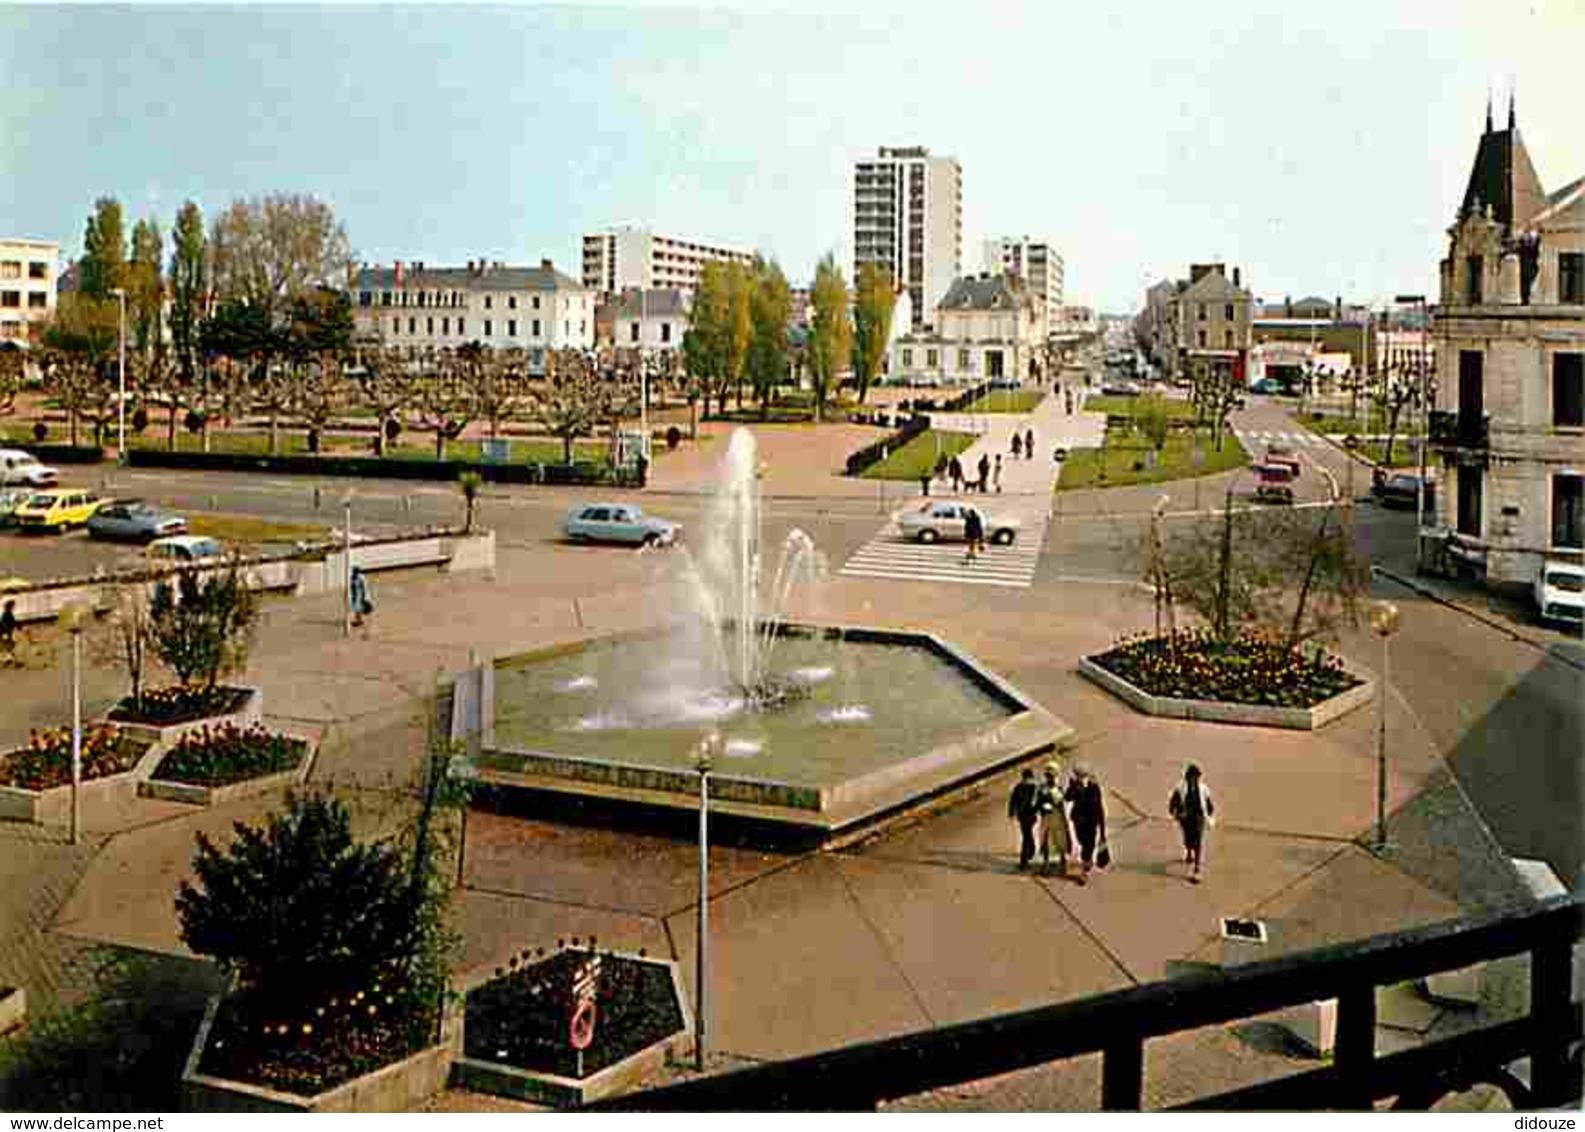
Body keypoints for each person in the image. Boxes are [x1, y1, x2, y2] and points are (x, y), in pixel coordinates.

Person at [1168, 764, 1215, 882]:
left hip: (1198, 818)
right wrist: (1176, 815)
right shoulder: (1181, 788)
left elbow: (1209, 804)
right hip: (1186, 819)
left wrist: (1208, 815)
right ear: (1187, 777)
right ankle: (1189, 851)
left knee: (1198, 841)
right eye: (1192, 777)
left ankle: (1197, 869)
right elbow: (1172, 803)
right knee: (1188, 839)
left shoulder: (1203, 788)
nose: (1195, 779)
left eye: (1197, 777)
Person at [1064, 763, 1107, 885]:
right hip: (1079, 821)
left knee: (1088, 846)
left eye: (1080, 775)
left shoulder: (1093, 787)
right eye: (1077, 775)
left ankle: (1084, 871)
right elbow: (1067, 798)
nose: (1079, 777)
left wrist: (1102, 827)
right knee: (1082, 842)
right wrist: (1072, 787)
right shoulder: (1075, 786)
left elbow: (1099, 807)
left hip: (1091, 822)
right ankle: (1086, 862)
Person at [1036, 762, 1072, 877]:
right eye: (1048, 775)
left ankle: (1062, 861)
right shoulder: (1042, 788)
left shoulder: (1058, 788)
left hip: (1057, 817)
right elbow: (1038, 802)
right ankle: (1046, 863)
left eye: (1052, 775)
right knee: (1045, 839)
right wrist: (1043, 806)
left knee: (1060, 839)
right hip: (1046, 817)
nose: (1049, 778)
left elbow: (1062, 802)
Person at [1007, 768, 1040, 871]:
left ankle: (1024, 861)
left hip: (1027, 816)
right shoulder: (1031, 787)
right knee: (1027, 834)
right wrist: (1011, 813)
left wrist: (1011, 813)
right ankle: (1030, 851)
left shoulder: (1028, 787)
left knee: (1026, 836)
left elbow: (1013, 801)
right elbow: (1013, 801)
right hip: (1025, 816)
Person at [0, 599, 17, 668]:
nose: (14, 607)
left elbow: (14, 622)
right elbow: (2, 623)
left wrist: (20, 627)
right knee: (8, 645)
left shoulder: (9, 613)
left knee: (11, 644)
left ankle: (8, 659)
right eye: (13, 606)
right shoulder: (6, 614)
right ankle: (7, 659)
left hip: (7, 632)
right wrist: (6, 631)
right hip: (4, 632)